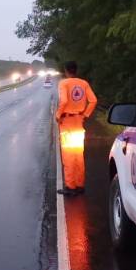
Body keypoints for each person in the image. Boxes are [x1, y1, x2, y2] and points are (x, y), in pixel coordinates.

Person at [55, 61, 98, 196]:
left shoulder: (64, 83)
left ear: (66, 71)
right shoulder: (83, 83)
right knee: (78, 154)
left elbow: (64, 101)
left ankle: (70, 187)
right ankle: (80, 185)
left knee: (68, 155)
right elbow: (94, 100)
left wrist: (58, 115)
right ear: (76, 70)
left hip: (67, 122)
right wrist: (85, 114)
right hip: (79, 122)